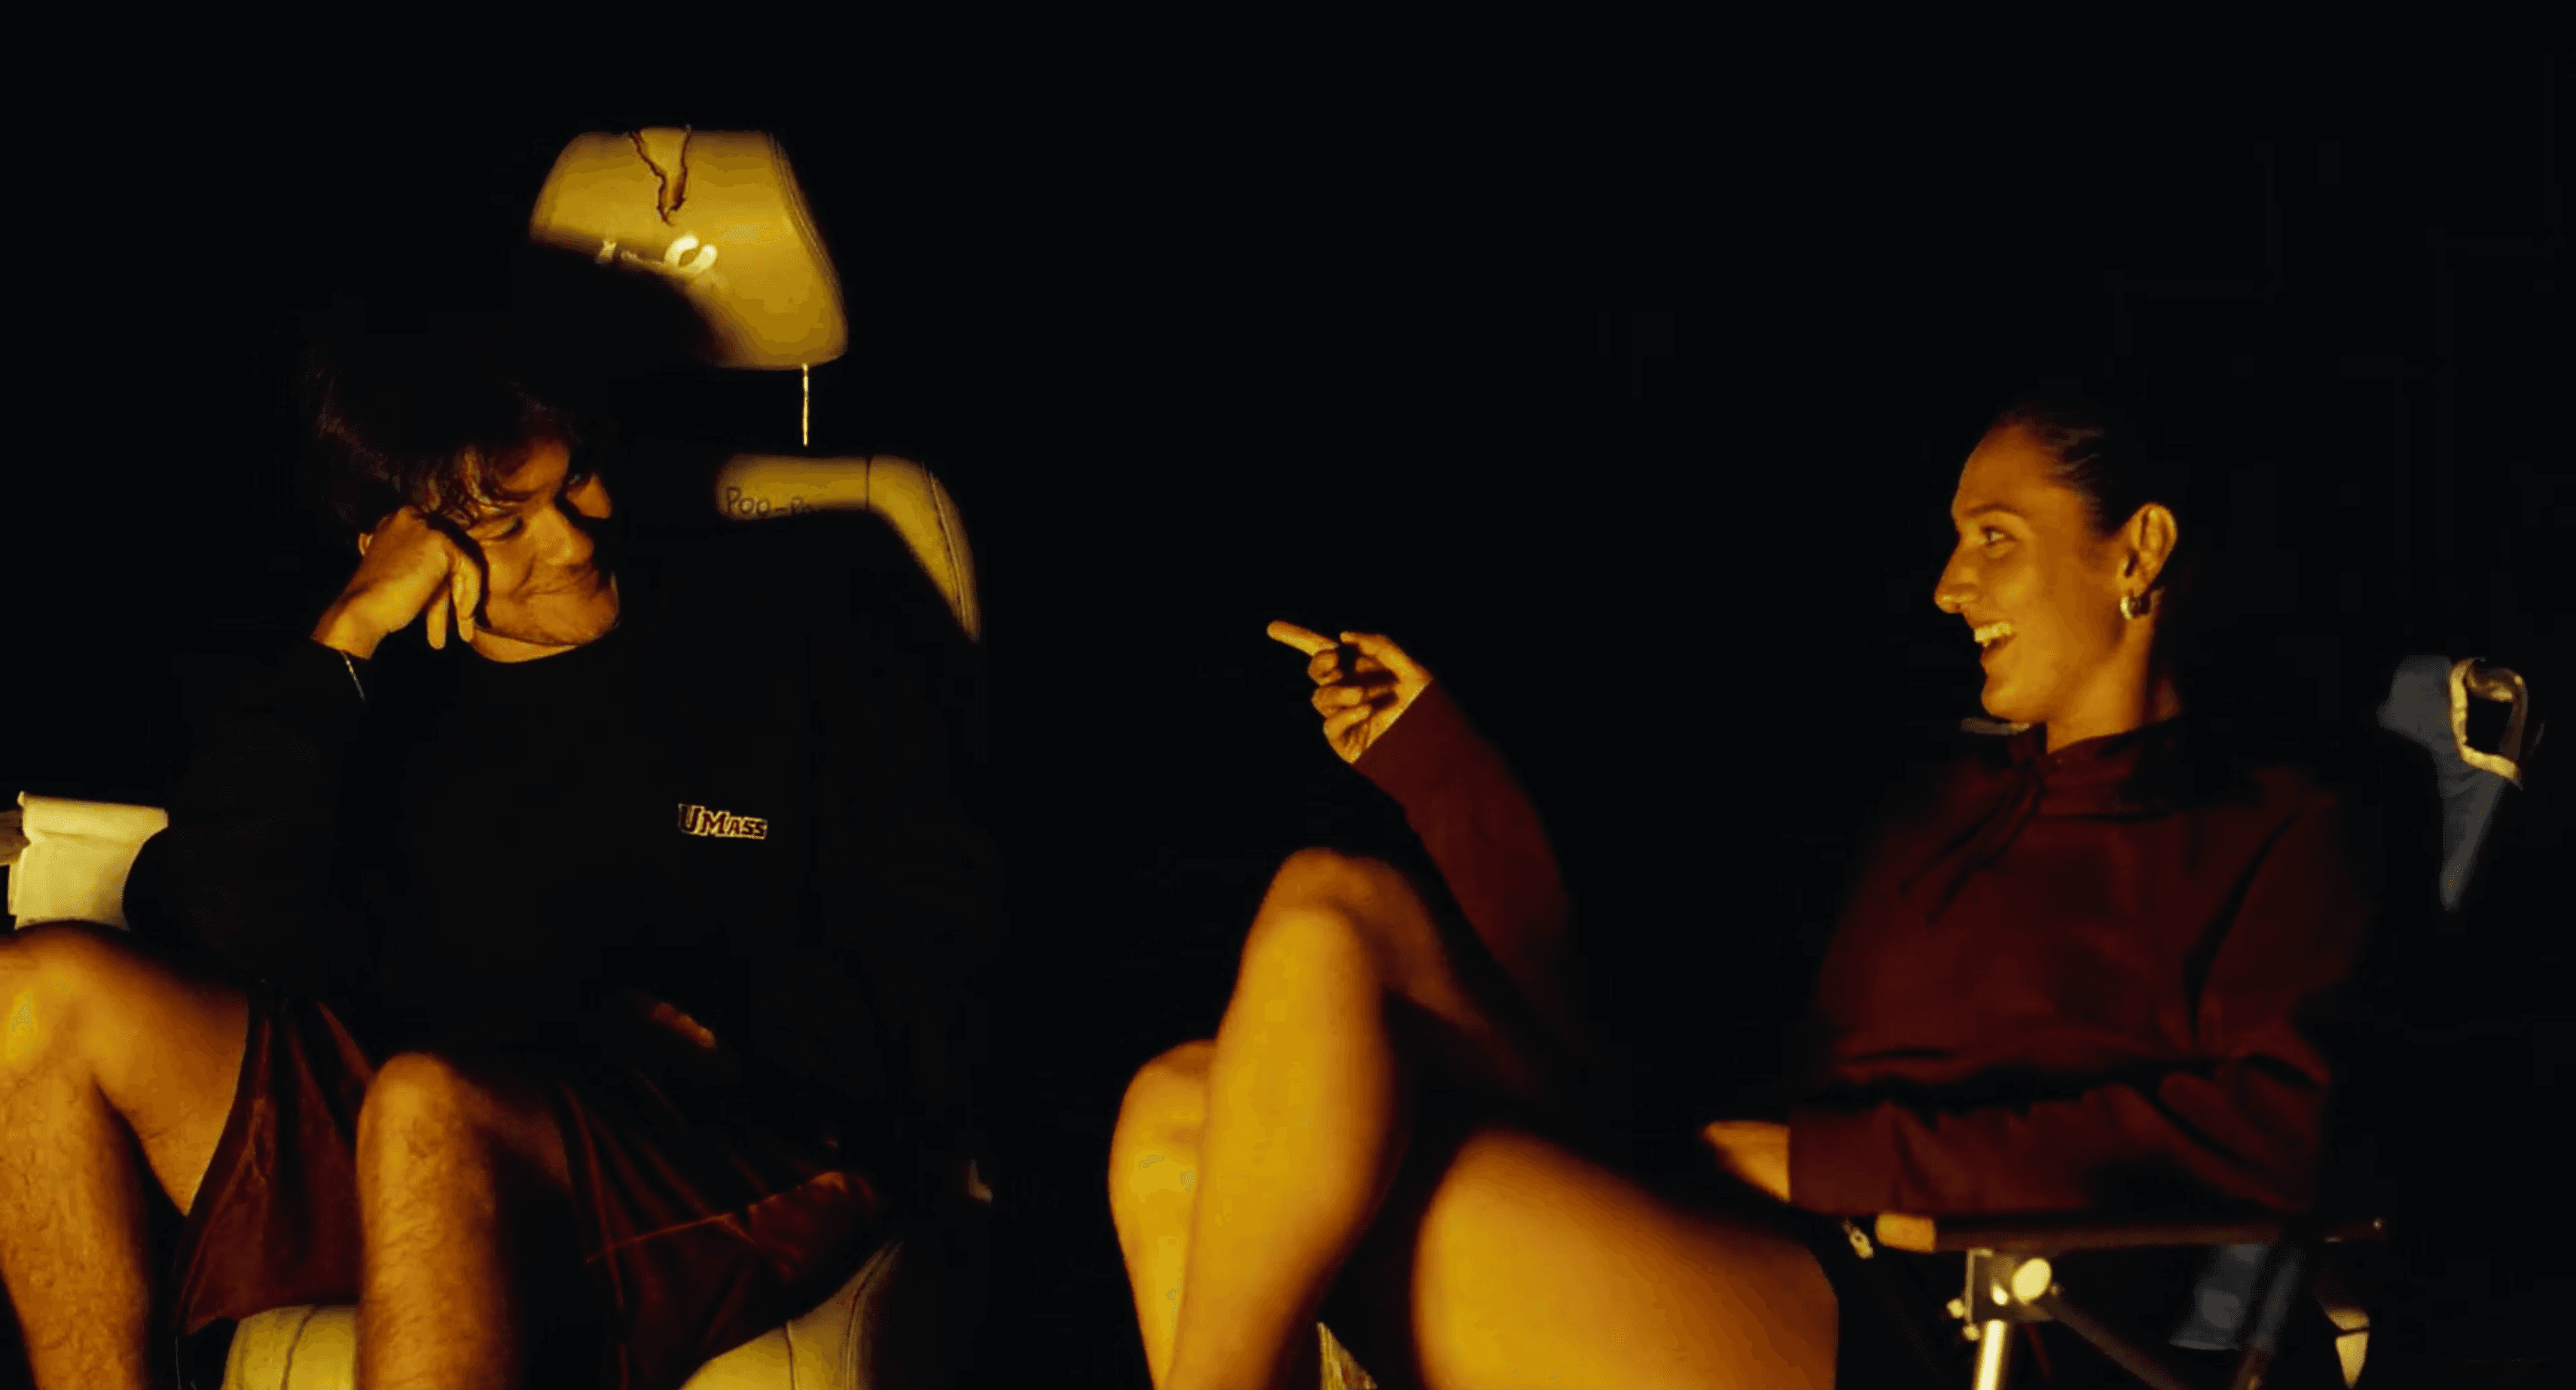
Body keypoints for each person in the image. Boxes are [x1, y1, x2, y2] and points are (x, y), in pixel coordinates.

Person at [1106, 386, 2372, 1389]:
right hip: (1732, 1225)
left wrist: (1843, 1160)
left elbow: (2280, 1128)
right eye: (1953, 543)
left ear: (2138, 548)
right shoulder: (1935, 803)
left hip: (1932, 1314)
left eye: (1995, 537)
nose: (1948, 585)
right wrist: (1436, 763)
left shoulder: (2275, 826)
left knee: (1273, 1095)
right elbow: (1628, 1044)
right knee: (1202, 1078)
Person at [0, 253, 1003, 1390]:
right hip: (417, 1146)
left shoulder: (810, 597)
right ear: (393, 535)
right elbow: (214, 927)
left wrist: (722, 1042)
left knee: (431, 1100)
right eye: (508, 521)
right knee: (37, 994)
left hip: (725, 1131)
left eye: (578, 479)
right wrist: (345, 641)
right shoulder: (360, 683)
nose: (575, 538)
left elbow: (950, 922)